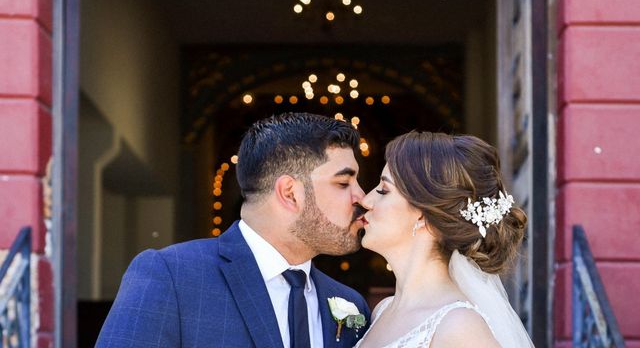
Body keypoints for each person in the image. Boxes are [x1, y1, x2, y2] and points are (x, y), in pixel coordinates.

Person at [96, 112, 371, 347]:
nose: (363, 197)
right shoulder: (172, 276)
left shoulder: (350, 304)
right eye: (344, 183)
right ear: (290, 193)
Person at [355, 131, 534, 348]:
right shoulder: (381, 311)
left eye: (384, 190)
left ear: (423, 214)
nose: (366, 200)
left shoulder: (460, 328)